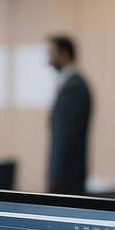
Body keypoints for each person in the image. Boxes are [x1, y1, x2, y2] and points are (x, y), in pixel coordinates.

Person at [46, 35, 92, 195]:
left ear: (64, 54)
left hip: (67, 178)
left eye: (51, 53)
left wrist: (55, 175)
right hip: (69, 175)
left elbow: (65, 136)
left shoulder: (73, 87)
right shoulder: (70, 83)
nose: (48, 59)